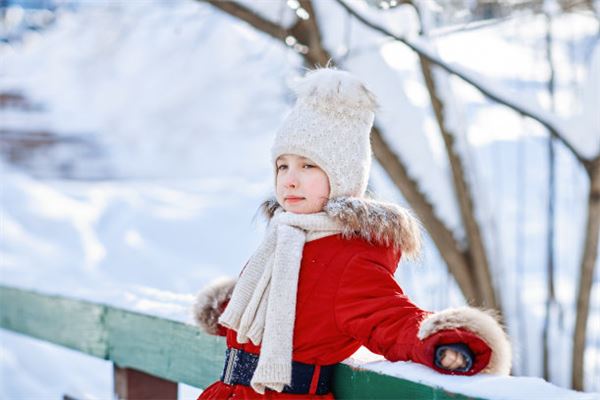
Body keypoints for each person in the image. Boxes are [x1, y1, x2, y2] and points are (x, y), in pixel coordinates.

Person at [193, 67, 512, 399]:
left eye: (308, 166)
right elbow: (286, 312)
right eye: (282, 165)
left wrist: (446, 342)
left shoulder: (351, 259)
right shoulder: (283, 239)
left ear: (342, 175)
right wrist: (229, 306)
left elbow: (392, 321)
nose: (289, 179)